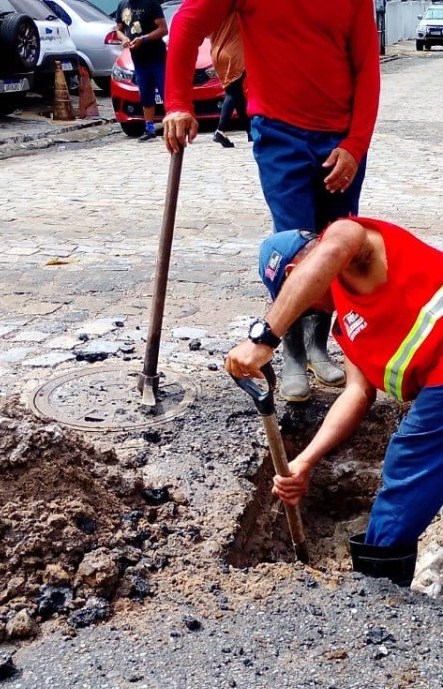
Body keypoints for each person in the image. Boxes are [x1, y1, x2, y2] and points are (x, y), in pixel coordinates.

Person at [225, 218, 443, 586]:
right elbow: (356, 394)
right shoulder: (347, 325)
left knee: (410, 456)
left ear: (296, 273)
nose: (308, 312)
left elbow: (336, 245)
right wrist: (305, 460)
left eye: (297, 298)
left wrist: (264, 338)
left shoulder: (351, 245)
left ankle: (376, 585)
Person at [163, 0, 381, 403]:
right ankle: (293, 354)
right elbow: (187, 23)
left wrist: (355, 145)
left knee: (338, 244)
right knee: (295, 246)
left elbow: (367, 68)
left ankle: (318, 346)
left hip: (341, 138)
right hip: (280, 133)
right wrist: (177, 103)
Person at [114, 0, 168, 142]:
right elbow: (118, 29)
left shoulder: (151, 3)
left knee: (165, 92)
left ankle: (172, 125)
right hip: (138, 59)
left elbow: (163, 29)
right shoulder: (122, 5)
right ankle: (149, 129)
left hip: (157, 57)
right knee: (145, 94)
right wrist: (124, 38)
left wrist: (144, 39)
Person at [210, 12, 247, 148]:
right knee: (232, 92)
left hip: (216, 51)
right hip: (234, 52)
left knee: (237, 92)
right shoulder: (234, 7)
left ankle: (249, 130)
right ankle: (221, 130)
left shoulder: (212, 10)